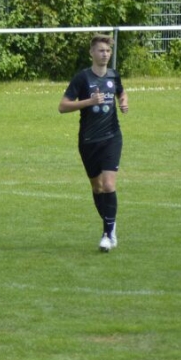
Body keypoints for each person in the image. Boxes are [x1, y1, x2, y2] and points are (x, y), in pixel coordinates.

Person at [58, 34, 129, 252]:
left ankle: (107, 234)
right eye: (100, 50)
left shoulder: (114, 75)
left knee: (108, 185)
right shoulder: (82, 78)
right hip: (88, 140)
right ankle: (111, 225)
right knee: (97, 187)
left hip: (112, 137)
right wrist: (89, 101)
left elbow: (121, 92)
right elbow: (62, 106)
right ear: (91, 53)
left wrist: (123, 102)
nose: (105, 54)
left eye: (107, 51)